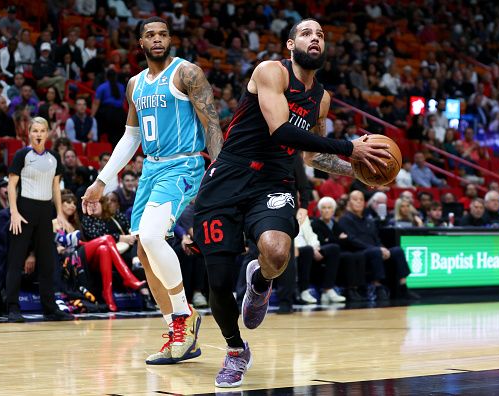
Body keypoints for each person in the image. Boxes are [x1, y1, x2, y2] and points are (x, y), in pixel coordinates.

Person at [192, 19, 389, 387]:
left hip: (274, 180)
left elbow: (312, 156)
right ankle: (236, 351)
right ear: (290, 44)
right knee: (217, 281)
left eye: (321, 35)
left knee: (277, 252)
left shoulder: (322, 99)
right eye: (306, 34)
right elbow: (281, 130)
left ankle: (261, 280)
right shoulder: (271, 72)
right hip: (229, 176)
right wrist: (350, 146)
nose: (315, 38)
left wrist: (356, 170)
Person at [81, 17, 223, 365]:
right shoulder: (134, 85)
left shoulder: (187, 73)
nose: (157, 39)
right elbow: (131, 137)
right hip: (151, 169)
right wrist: (103, 180)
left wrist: (221, 170)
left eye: (162, 34)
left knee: (154, 237)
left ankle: (184, 317)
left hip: (184, 163)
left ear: (170, 39)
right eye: (150, 35)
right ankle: (177, 333)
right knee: (145, 253)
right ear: (140, 43)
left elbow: (212, 123)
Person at [5, 117, 74, 322]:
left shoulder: (53, 158)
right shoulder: (22, 155)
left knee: (47, 263)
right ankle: (12, 308)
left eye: (42, 131)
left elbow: (55, 188)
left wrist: (60, 213)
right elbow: (11, 186)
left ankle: (50, 309)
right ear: (29, 133)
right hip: (24, 210)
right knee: (16, 261)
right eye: (35, 130)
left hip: (45, 212)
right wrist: (14, 212)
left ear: (47, 133)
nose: (38, 134)